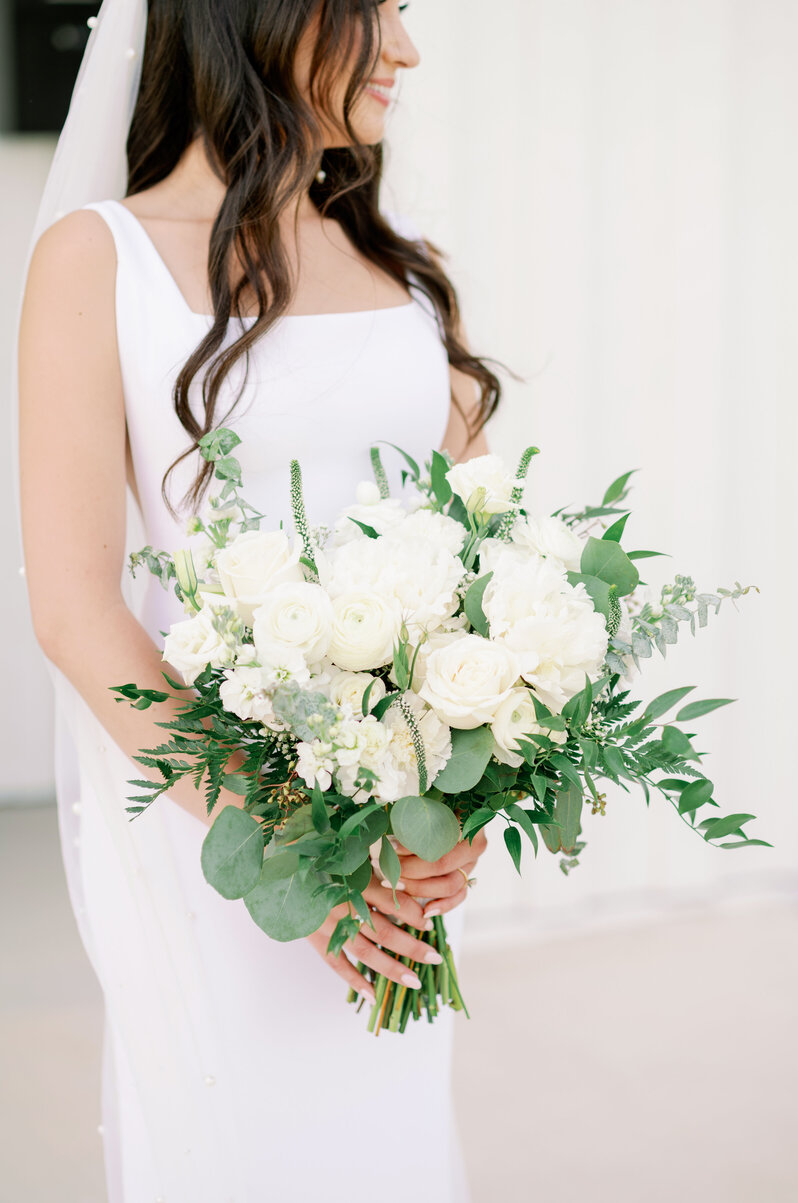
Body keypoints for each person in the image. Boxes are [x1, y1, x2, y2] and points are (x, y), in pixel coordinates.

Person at [17, 1, 499, 1199]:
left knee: (382, 1139)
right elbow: (76, 612)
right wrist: (295, 853)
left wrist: (471, 794)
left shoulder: (404, 266)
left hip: (390, 825)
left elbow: (486, 563)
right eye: (375, 9)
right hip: (215, 826)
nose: (405, 48)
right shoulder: (100, 258)